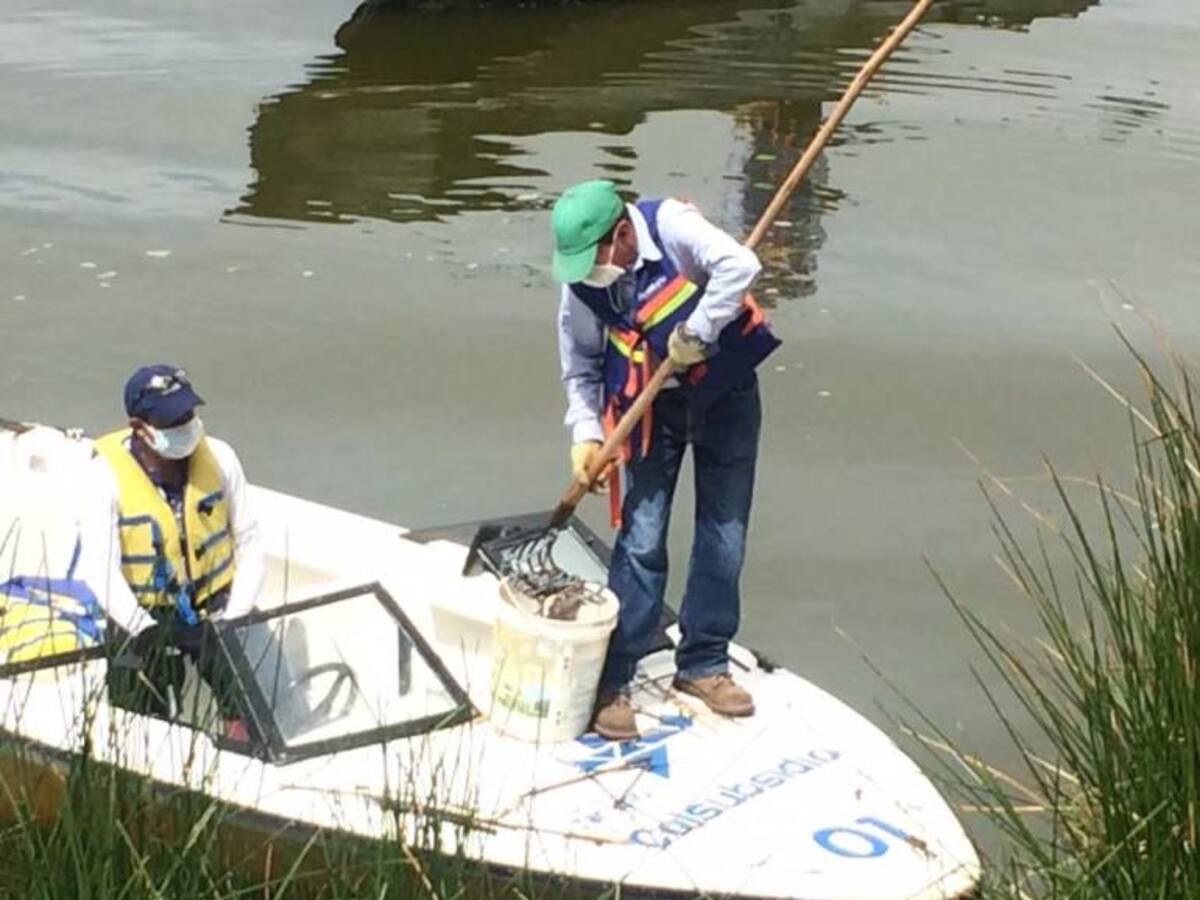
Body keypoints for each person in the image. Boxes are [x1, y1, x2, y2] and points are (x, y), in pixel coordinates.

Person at [551, 179, 781, 740]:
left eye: (593, 259)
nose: (588, 273)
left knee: (724, 533)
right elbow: (581, 366)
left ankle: (703, 662)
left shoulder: (672, 225)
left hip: (726, 396)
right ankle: (613, 678)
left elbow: (741, 264)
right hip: (651, 411)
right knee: (642, 536)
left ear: (621, 235)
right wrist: (586, 435)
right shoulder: (582, 288)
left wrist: (696, 332)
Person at [91, 364, 264, 733]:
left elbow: (249, 542)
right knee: (135, 723)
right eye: (172, 421)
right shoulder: (102, 477)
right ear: (139, 427)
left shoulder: (221, 458)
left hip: (215, 610)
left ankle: (242, 737)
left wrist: (231, 622)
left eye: (188, 415)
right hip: (143, 614)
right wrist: (143, 629)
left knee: (250, 712)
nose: (185, 426)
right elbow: (98, 568)